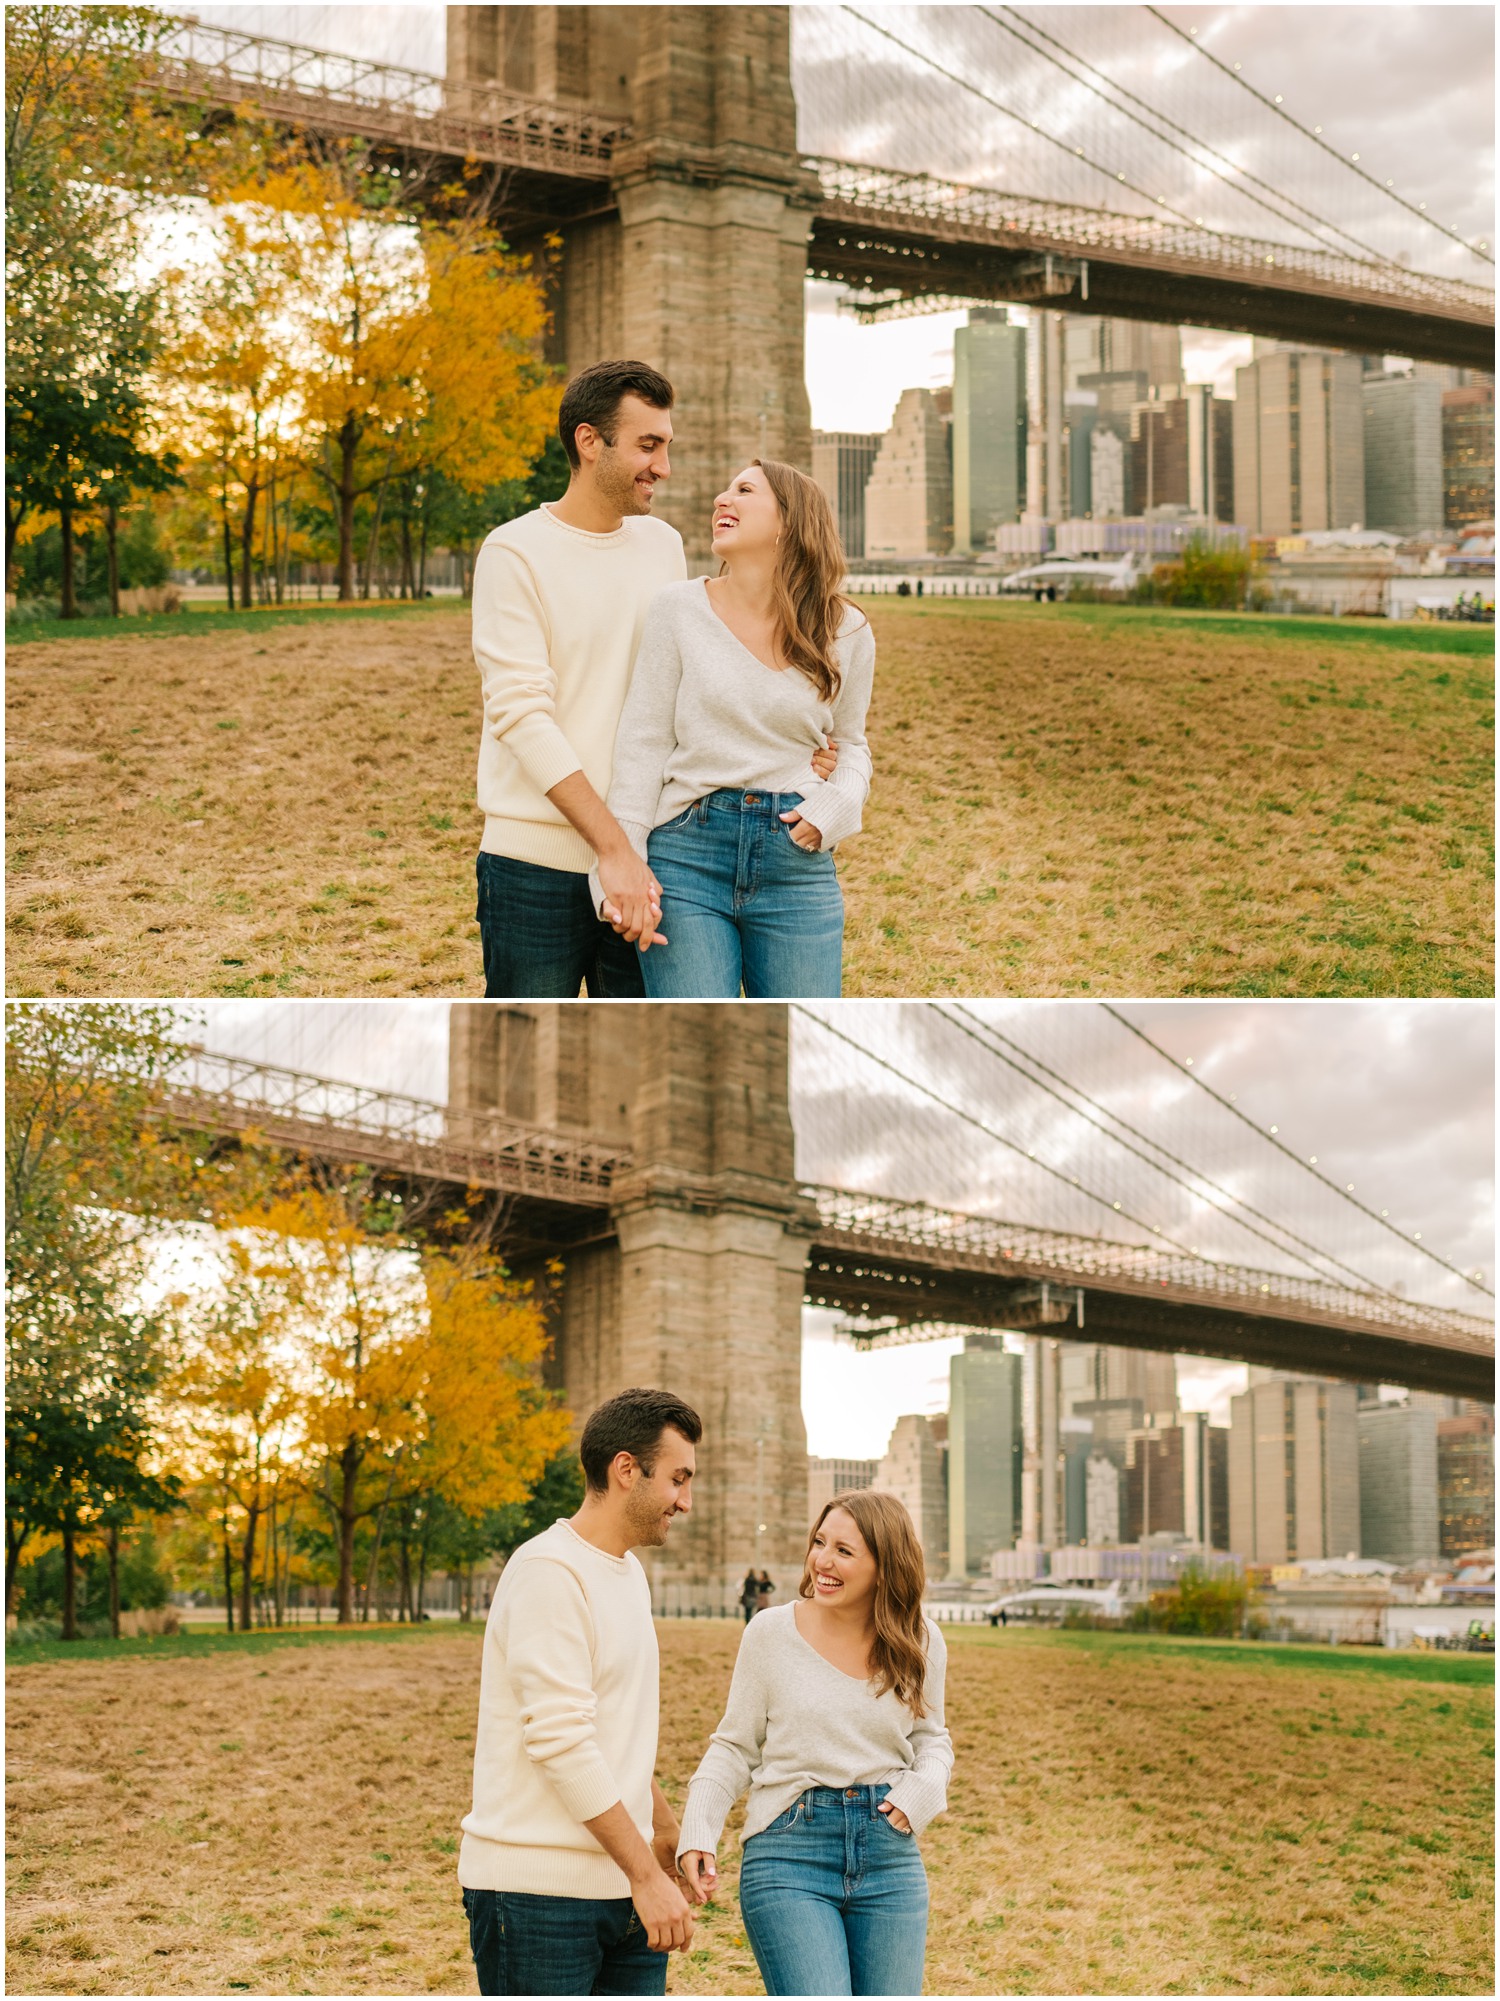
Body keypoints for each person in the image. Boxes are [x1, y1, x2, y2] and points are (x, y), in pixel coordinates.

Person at [458, 1386, 711, 1995]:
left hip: (622, 1885)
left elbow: (605, 1728)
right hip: (538, 1897)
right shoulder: (550, 1572)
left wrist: (663, 1826)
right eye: (678, 1479)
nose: (686, 1501)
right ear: (626, 1469)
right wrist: (645, 1877)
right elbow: (561, 1740)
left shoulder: (627, 1575)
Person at [592, 459, 874, 998]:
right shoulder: (677, 609)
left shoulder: (847, 629)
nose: (723, 499)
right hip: (685, 855)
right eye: (725, 489)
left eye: (744, 490)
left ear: (788, 523)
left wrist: (836, 807)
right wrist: (620, 865)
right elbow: (643, 744)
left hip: (796, 858)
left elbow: (852, 743)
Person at [677, 1491, 953, 1997]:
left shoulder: (921, 1640)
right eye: (820, 1542)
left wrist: (924, 1789)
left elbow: (931, 1737)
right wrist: (698, 1830)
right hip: (789, 1853)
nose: (822, 1560)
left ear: (885, 1565)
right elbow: (735, 1747)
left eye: (844, 1551)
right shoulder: (770, 1633)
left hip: (889, 1857)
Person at [470, 359, 682, 999]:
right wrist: (610, 848)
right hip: (534, 868)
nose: (663, 467)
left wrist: (800, 748)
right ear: (590, 442)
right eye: (648, 445)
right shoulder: (513, 552)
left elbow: (694, 683)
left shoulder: (664, 546)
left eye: (667, 446)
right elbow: (522, 717)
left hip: (649, 857)